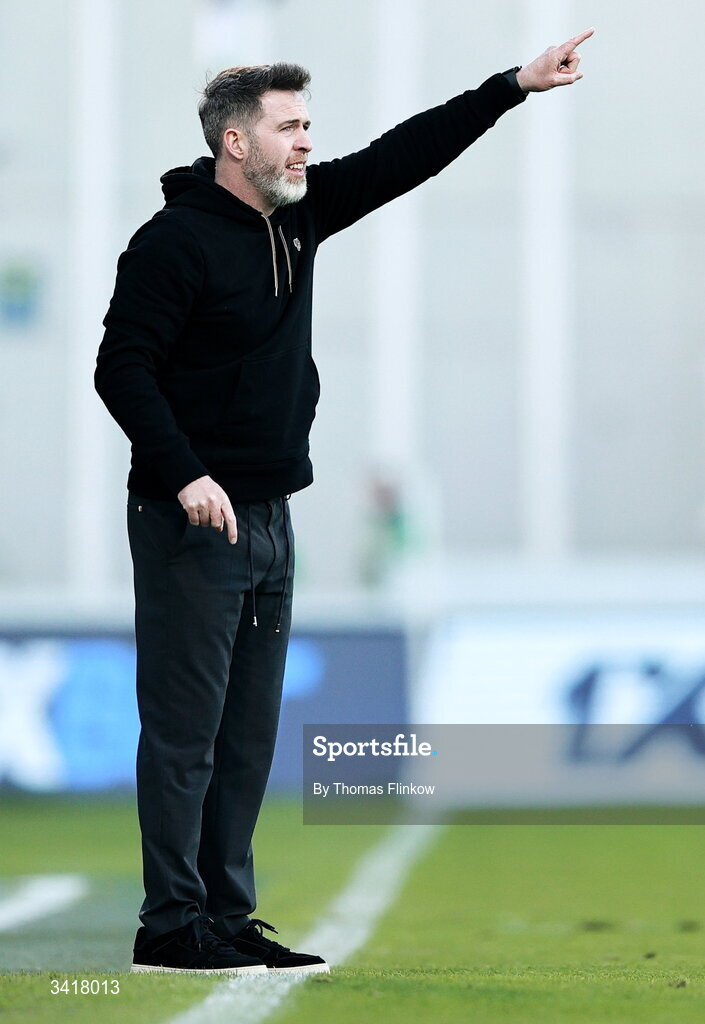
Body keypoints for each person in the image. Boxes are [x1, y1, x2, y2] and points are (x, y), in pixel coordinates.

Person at [95, 27, 594, 976]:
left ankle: (227, 916)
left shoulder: (299, 216)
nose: (306, 143)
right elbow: (121, 369)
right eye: (288, 127)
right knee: (184, 738)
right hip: (191, 522)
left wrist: (511, 86)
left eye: (307, 125)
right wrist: (185, 472)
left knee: (246, 741)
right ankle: (170, 924)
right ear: (233, 142)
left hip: (274, 517)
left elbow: (407, 154)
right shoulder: (170, 244)